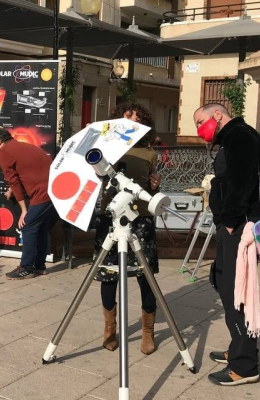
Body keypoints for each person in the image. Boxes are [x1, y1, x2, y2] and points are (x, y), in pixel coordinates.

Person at [192, 103, 260, 386]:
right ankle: (238, 349)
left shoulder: (240, 136)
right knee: (225, 284)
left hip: (238, 227)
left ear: (217, 115)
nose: (200, 130)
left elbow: (243, 183)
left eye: (200, 122)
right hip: (233, 226)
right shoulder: (234, 138)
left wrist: (230, 219)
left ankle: (245, 365)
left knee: (235, 292)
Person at [92, 102, 162, 355]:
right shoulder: (105, 149)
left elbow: (150, 186)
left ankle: (147, 332)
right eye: (127, 117)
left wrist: (155, 185)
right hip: (110, 218)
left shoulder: (149, 153)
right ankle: (110, 329)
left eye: (138, 118)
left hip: (140, 219)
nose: (133, 121)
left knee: (146, 276)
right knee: (108, 275)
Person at [0, 127, 57, 280]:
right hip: (55, 190)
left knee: (28, 226)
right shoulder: (24, 146)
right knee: (41, 227)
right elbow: (25, 172)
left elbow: (13, 180)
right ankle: (39, 266)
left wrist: (24, 211)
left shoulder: (3, 152)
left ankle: (26, 268)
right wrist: (12, 190)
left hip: (42, 193)